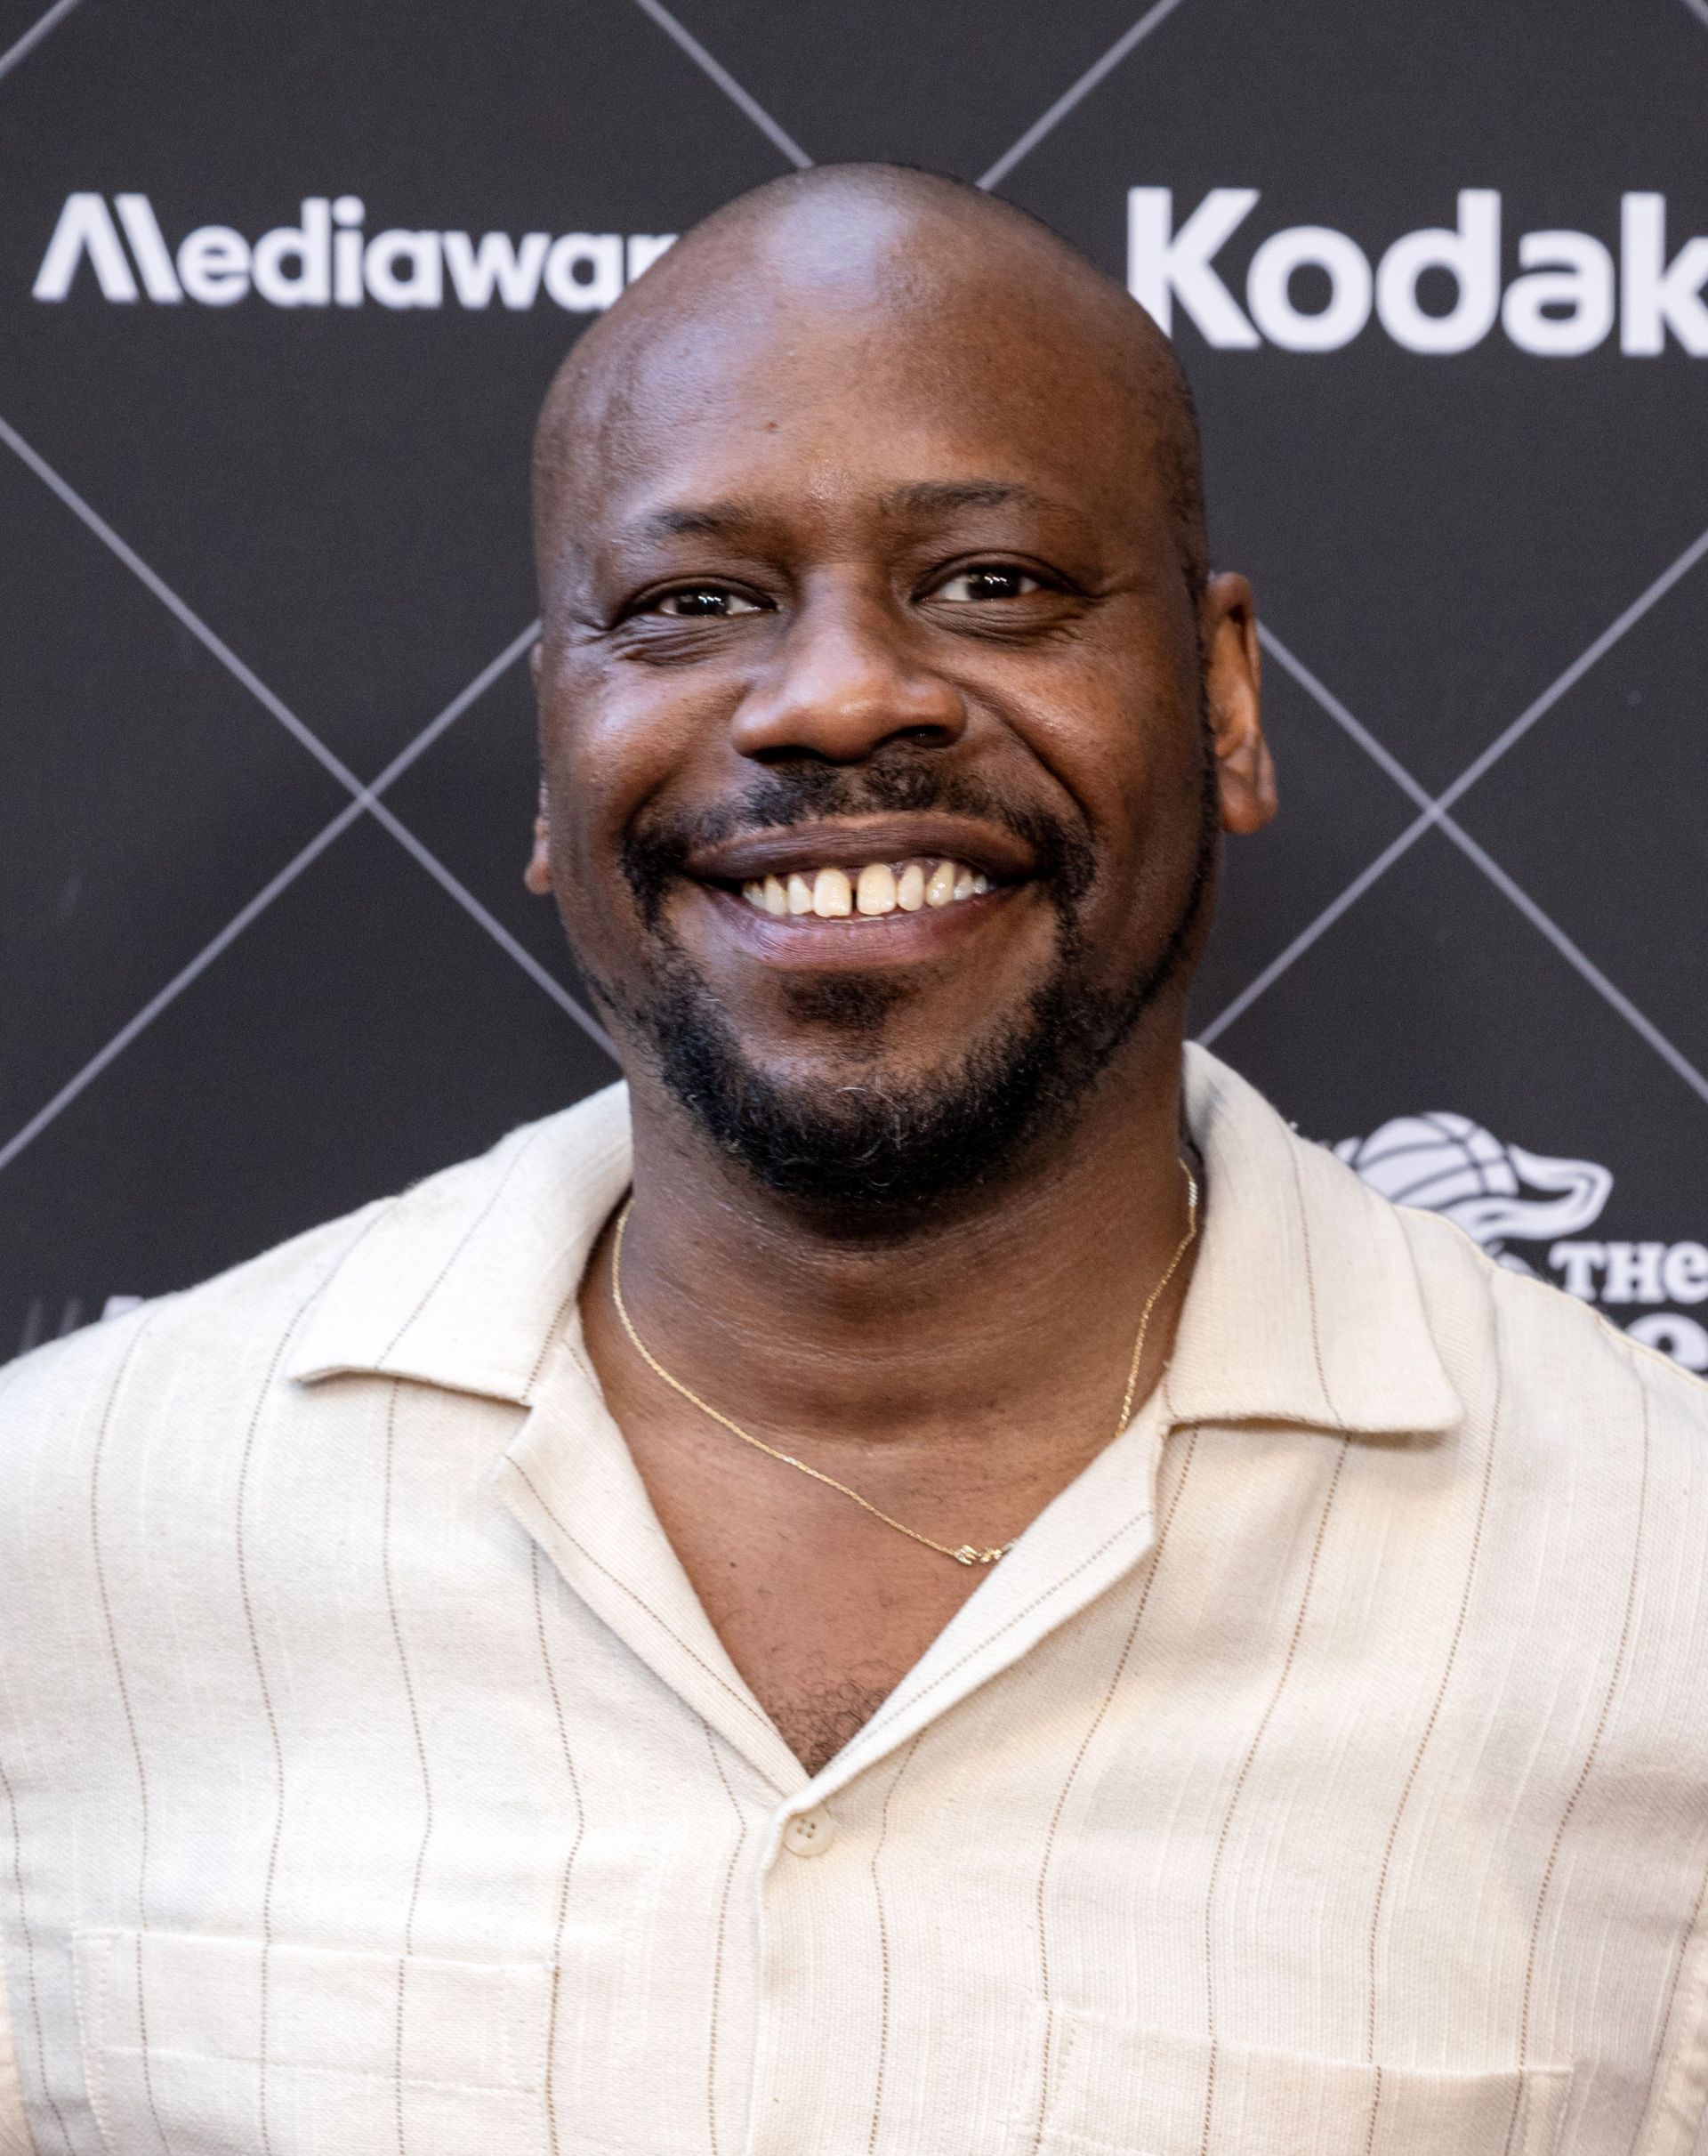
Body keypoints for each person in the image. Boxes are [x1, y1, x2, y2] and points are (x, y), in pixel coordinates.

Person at [1, 165, 1704, 2156]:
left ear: (1227, 700)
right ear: (553, 750)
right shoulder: (61, 1550)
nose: (833, 700)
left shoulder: (1661, 1596)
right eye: (690, 605)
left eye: (991, 583)